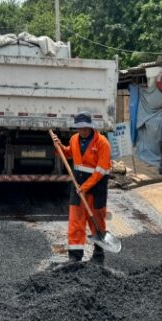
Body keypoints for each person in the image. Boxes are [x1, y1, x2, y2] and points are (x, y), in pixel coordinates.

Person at [50, 112, 111, 264]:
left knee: (97, 220)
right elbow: (68, 153)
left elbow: (101, 170)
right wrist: (58, 147)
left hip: (96, 189)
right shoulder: (74, 139)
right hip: (78, 188)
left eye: (85, 128)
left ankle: (98, 254)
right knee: (76, 221)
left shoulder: (102, 143)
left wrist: (85, 187)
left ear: (91, 127)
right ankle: (74, 257)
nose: (82, 131)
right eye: (79, 128)